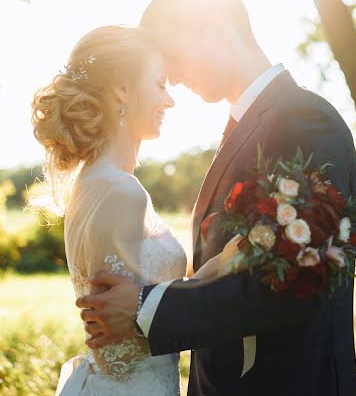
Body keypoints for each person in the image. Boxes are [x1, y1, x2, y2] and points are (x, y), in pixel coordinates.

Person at [77, 0, 356, 396]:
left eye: (172, 57)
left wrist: (146, 307)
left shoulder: (302, 120)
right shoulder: (250, 126)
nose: (170, 76)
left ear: (214, 28)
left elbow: (298, 284)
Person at [31, 25, 219, 396]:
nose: (170, 101)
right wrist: (214, 278)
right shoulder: (120, 191)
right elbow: (116, 354)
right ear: (122, 89)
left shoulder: (97, 182)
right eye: (160, 84)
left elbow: (132, 302)